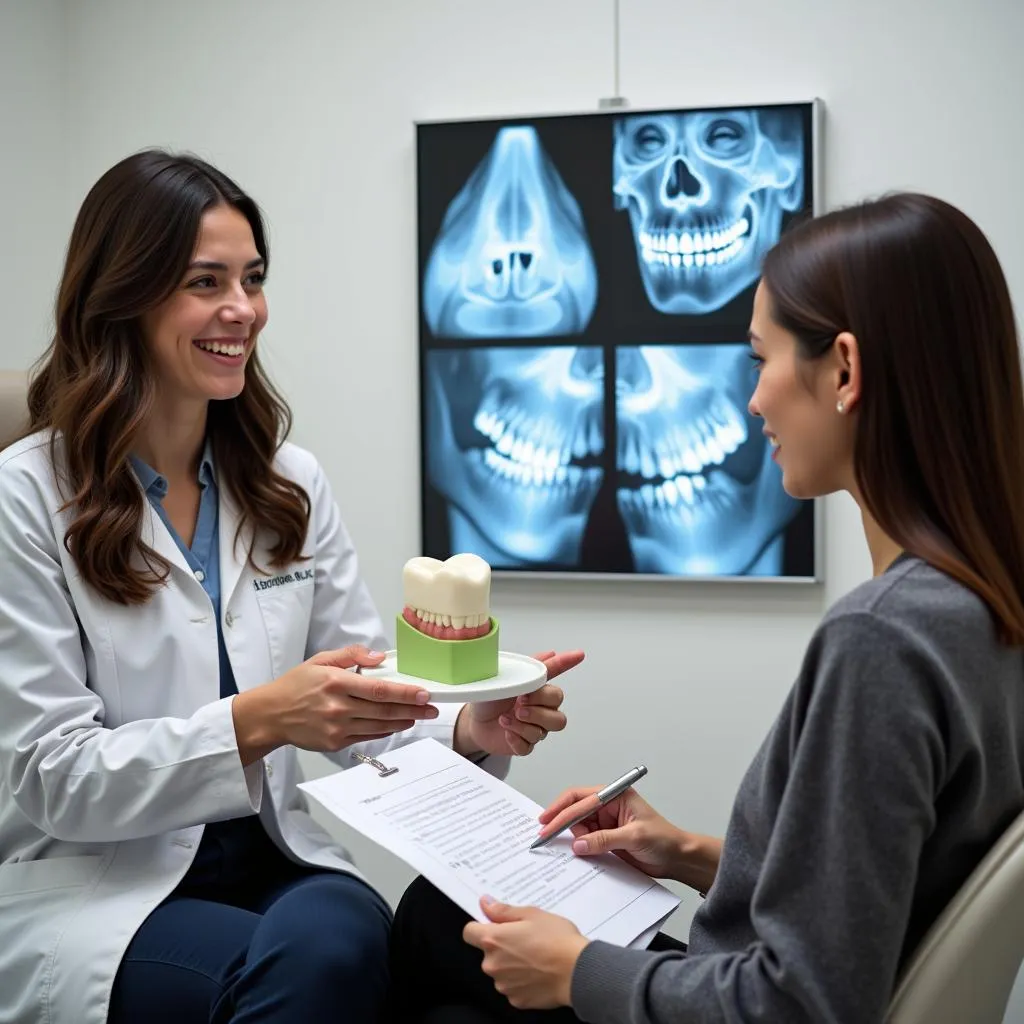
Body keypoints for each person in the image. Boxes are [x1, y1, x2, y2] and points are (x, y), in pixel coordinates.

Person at [385, 191, 1024, 1023]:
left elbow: (803, 1003)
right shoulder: (985, 604)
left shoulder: (883, 640)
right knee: (445, 925)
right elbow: (873, 903)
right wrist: (686, 853)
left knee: (436, 936)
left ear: (844, 370)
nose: (754, 402)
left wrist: (580, 972)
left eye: (760, 361)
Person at [0, 149, 583, 1024]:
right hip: (100, 892)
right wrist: (261, 719)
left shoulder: (288, 482)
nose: (242, 310)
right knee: (329, 963)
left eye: (253, 279)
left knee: (350, 930)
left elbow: (359, 706)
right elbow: (52, 777)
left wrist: (464, 728)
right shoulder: (28, 496)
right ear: (121, 297)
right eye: (206, 282)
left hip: (281, 867)